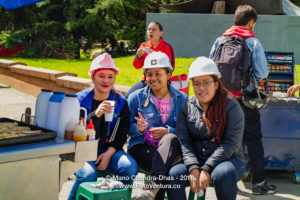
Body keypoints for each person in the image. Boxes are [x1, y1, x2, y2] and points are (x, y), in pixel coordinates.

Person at [209, 5, 276, 195]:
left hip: (222, 100)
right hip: (245, 100)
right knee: (253, 139)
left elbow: (210, 68)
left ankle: (222, 180)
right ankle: (259, 183)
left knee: (225, 139)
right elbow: (262, 73)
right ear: (251, 22)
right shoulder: (253, 42)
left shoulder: (220, 40)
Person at [167, 57, 245, 200]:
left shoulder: (232, 107)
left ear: (216, 83)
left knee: (222, 173)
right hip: (196, 160)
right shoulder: (186, 107)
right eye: (196, 84)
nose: (201, 88)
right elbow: (184, 141)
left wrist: (207, 168)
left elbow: (230, 144)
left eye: (206, 82)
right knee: (174, 175)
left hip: (228, 160)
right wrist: (193, 167)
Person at [68, 52, 138, 200]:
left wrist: (108, 154)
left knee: (130, 168)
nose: (106, 80)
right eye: (101, 76)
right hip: (81, 151)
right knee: (88, 174)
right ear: (93, 77)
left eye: (110, 76)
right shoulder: (79, 100)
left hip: (108, 150)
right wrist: (95, 114)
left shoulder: (120, 102)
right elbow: (71, 129)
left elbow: (121, 134)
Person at [127, 51, 188, 200]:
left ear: (168, 74)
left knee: (170, 138)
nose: (153, 78)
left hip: (173, 150)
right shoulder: (136, 98)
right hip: (141, 148)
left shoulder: (182, 99)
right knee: (164, 167)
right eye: (149, 74)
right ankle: (151, 190)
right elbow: (124, 129)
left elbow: (188, 130)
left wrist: (168, 131)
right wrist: (138, 128)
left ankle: (149, 191)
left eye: (158, 73)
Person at [125, 21, 175, 98]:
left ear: (160, 33)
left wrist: (157, 57)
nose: (151, 31)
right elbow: (136, 66)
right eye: (149, 29)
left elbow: (171, 67)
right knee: (128, 96)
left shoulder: (167, 47)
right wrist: (138, 56)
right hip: (147, 81)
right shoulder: (144, 45)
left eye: (154, 30)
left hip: (162, 81)